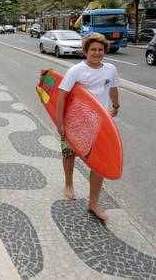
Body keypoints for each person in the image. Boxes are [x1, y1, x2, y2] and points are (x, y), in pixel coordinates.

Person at [56, 32, 120, 221]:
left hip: (100, 123)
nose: (97, 53)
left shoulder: (111, 69)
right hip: (75, 121)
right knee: (69, 155)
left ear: (104, 51)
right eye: (93, 49)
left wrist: (115, 106)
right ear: (85, 51)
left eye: (100, 50)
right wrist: (60, 123)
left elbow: (114, 89)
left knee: (99, 163)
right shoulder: (76, 70)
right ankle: (69, 183)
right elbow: (61, 95)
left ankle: (93, 202)